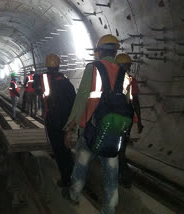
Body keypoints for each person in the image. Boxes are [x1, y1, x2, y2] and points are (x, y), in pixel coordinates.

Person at [63, 34, 131, 214]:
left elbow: (81, 99)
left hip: (91, 129)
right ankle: (109, 209)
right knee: (111, 172)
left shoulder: (93, 68)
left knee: (82, 164)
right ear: (115, 52)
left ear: (99, 52)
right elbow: (127, 103)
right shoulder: (124, 74)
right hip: (112, 130)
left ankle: (74, 194)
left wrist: (70, 127)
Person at [40, 53, 76, 188]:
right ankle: (74, 176)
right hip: (66, 121)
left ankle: (66, 180)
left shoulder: (44, 79)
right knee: (66, 149)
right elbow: (74, 101)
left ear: (47, 66)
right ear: (58, 65)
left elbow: (43, 96)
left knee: (59, 151)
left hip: (53, 120)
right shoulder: (66, 82)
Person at [115, 53, 144, 188]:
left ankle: (124, 177)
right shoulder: (132, 80)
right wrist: (139, 122)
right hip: (127, 119)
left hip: (114, 119)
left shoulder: (111, 79)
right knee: (121, 149)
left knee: (117, 150)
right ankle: (122, 175)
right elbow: (135, 103)